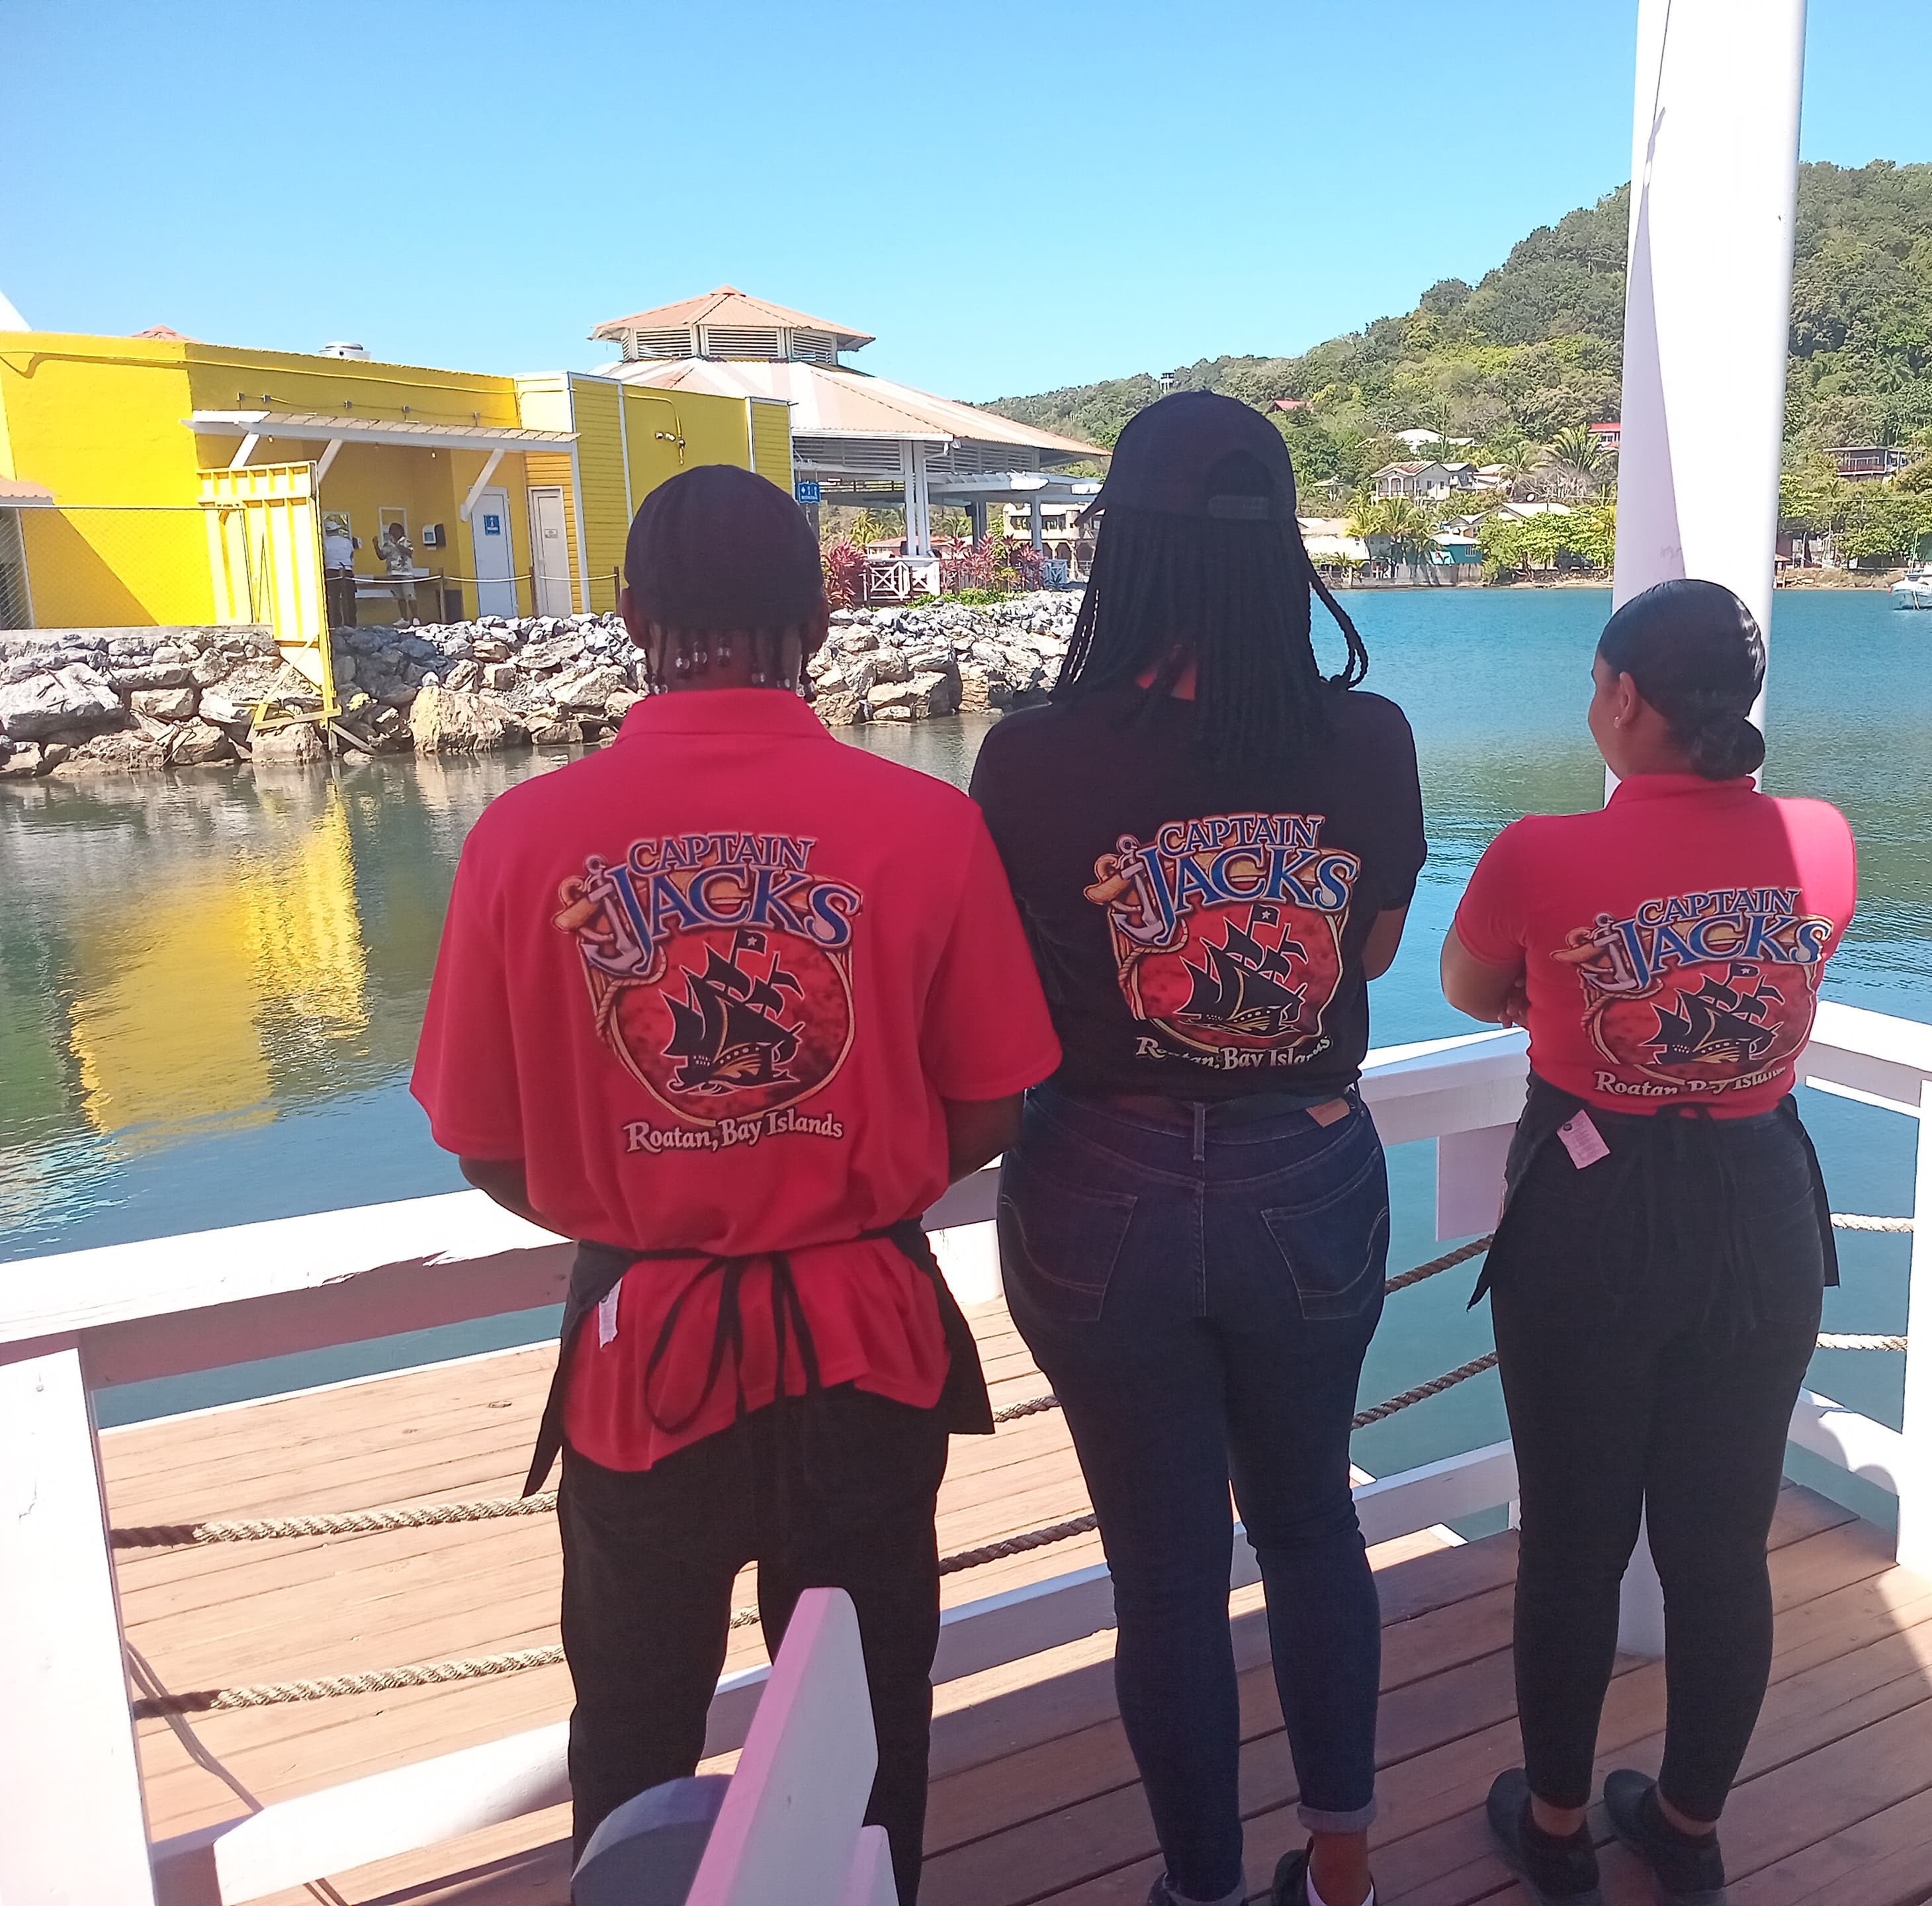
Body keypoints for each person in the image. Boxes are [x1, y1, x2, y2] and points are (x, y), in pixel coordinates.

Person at [410, 463, 1059, 1904]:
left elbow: (481, 1142)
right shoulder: (925, 826)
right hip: (867, 1339)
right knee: (867, 1718)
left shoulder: (523, 838)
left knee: (634, 1727)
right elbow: (994, 1103)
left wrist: (648, 1208)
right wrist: (843, 1197)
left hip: (646, 1353)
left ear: (633, 617)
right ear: (821, 617)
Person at [970, 391, 1427, 1906]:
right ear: (1280, 546)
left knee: (1164, 1567)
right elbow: (1360, 960)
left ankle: (1205, 1891)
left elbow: (1015, 993)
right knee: (1309, 1518)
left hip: (1098, 1176)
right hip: (1302, 1165)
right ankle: (1343, 1867)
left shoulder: (1029, 759)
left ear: (1122, 550)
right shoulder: (1364, 737)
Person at [1440, 578, 1855, 1906]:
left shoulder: (1539, 855)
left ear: (1622, 697)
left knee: (1571, 1541)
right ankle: (1684, 1826)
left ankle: (1556, 1832)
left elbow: (1471, 986)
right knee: (1723, 1544)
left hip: (1592, 1210)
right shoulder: (1823, 839)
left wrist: (1563, 995)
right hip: (1759, 1206)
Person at [323, 516, 358, 629]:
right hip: (347, 570)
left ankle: (335, 624)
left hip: (331, 571)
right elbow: (351, 555)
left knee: (333, 599)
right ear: (337, 530)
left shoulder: (324, 542)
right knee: (349, 598)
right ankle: (351, 623)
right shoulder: (346, 541)